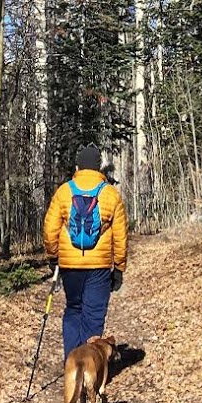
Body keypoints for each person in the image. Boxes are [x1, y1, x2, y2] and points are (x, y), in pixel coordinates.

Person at [43, 143, 129, 360]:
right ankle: (90, 370)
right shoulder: (110, 194)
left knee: (73, 309)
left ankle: (72, 366)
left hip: (70, 266)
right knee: (93, 316)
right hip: (99, 267)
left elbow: (50, 229)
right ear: (98, 168)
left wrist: (54, 257)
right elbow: (120, 236)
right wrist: (118, 268)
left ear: (78, 166)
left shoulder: (64, 191)